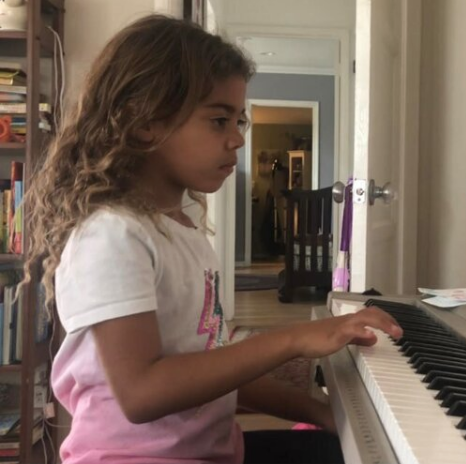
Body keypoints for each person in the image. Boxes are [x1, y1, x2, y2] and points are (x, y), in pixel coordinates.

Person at [21, 15, 403, 464]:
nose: (237, 140)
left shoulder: (180, 229)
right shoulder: (112, 234)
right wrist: (295, 338)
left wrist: (323, 413)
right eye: (219, 120)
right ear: (144, 121)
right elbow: (142, 393)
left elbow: (212, 374)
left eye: (238, 121)